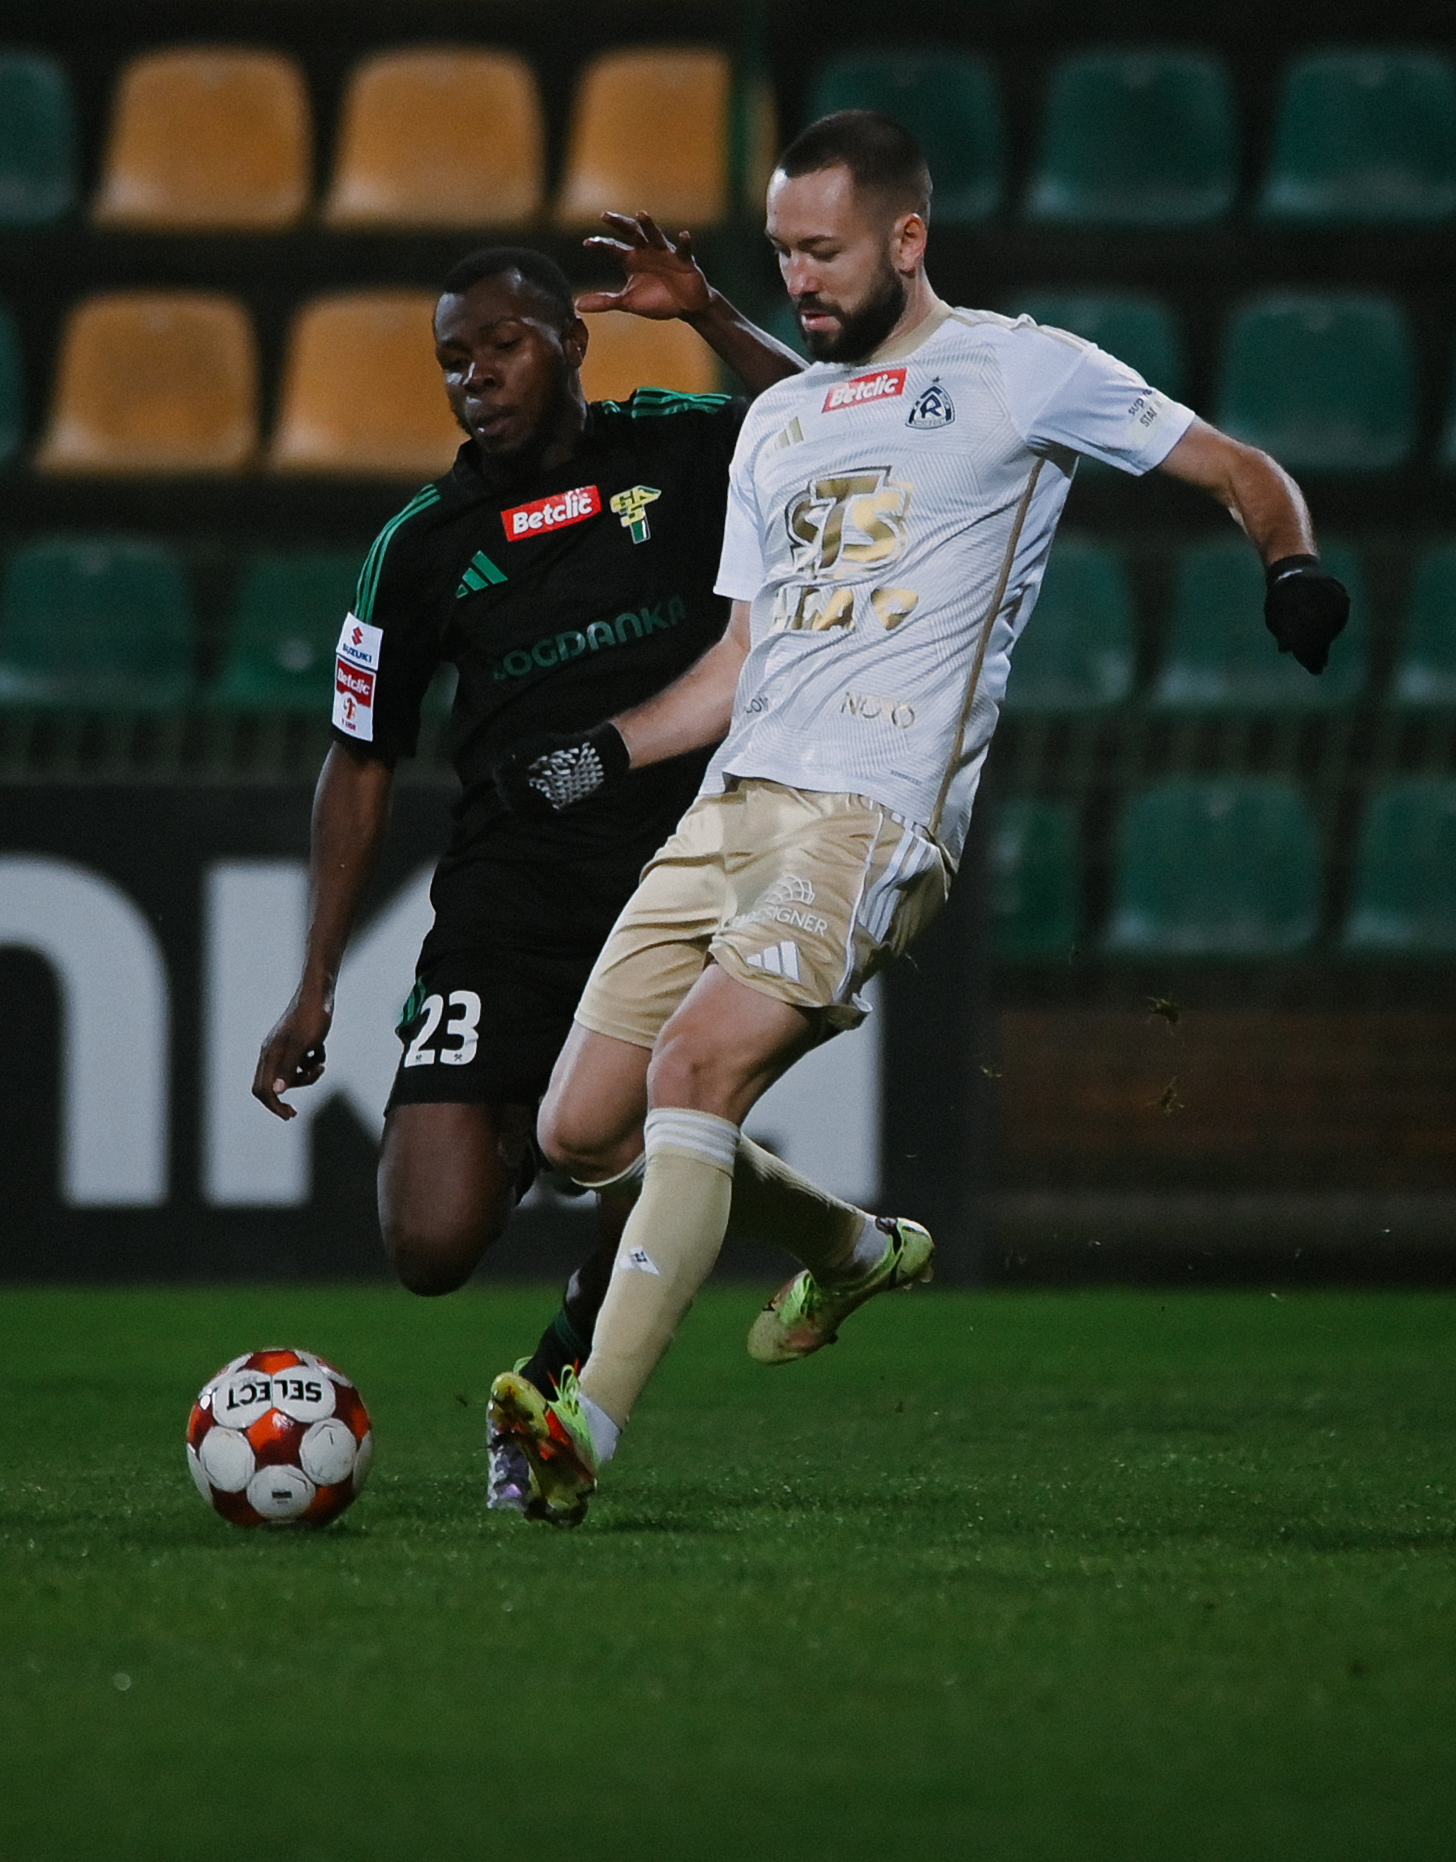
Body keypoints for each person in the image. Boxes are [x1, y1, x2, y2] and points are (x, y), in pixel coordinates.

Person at [485, 110, 1352, 1525]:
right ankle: (852, 1249)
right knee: (580, 1131)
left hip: (872, 815)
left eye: (824, 252)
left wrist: (1292, 567)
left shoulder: (1019, 369)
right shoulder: (779, 422)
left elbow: (1240, 469)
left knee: (692, 1075)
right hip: (729, 807)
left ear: (907, 237)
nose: (801, 279)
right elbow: (740, 660)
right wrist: (602, 753)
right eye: (783, 253)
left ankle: (585, 1424)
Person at [252, 222, 911, 1513]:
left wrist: (712, 312)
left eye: (501, 346)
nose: (475, 377)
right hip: (508, 893)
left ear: (570, 342)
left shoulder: (676, 444)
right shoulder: (419, 545)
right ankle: (826, 1234)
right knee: (431, 1238)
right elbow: (360, 758)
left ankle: (552, 1382)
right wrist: (316, 980)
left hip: (685, 866)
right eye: (454, 360)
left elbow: (836, 424)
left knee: (645, 1132)